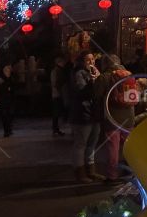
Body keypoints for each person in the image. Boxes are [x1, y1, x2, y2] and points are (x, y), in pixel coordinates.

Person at [95, 56, 135, 181]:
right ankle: (132, 171)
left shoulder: (104, 77)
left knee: (113, 148)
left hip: (111, 117)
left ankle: (112, 176)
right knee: (128, 146)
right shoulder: (129, 75)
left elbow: (96, 95)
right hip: (128, 116)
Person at [69, 51, 105, 183]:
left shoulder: (94, 73)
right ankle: (80, 172)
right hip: (82, 113)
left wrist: (99, 80)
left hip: (94, 113)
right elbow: (81, 92)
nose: (91, 62)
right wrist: (93, 82)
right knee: (81, 144)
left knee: (92, 144)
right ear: (82, 62)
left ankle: (91, 170)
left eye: (93, 59)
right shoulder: (79, 74)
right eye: (88, 60)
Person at [50, 54, 68, 136]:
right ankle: (55, 129)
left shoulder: (58, 70)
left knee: (57, 112)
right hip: (57, 94)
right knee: (56, 113)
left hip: (58, 94)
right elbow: (56, 83)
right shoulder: (57, 71)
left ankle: (56, 129)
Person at [0, 63, 16, 137]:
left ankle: (9, 129)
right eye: (7, 69)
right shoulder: (1, 78)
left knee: (10, 115)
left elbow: (13, 88)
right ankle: (6, 130)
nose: (8, 71)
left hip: (10, 100)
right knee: (4, 116)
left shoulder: (11, 77)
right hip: (3, 100)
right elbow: (0, 88)